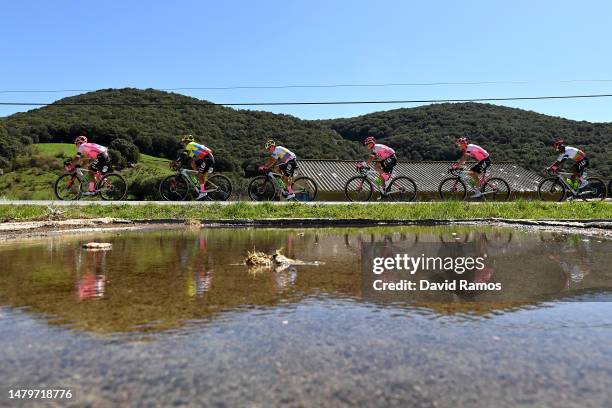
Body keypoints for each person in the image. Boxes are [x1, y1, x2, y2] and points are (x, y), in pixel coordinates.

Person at [175, 134, 215, 200]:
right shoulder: (193, 148)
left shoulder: (191, 144)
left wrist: (177, 161)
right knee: (192, 163)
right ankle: (198, 176)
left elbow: (184, 154)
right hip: (206, 158)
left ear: (188, 141)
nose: (184, 144)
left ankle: (203, 192)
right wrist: (181, 164)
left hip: (208, 159)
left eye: (185, 142)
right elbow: (188, 158)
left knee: (200, 175)